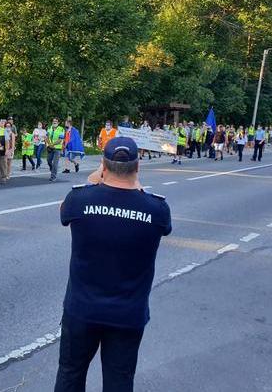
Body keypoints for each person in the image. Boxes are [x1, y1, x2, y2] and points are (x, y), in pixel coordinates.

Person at [54, 137, 171, 392]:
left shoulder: (79, 201)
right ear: (138, 167)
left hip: (81, 310)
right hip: (127, 315)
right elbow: (164, 227)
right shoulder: (157, 210)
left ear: (103, 166)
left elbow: (63, 212)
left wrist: (96, 177)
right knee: (119, 381)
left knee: (70, 374)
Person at [47, 117, 65, 182]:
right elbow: (46, 137)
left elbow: (60, 140)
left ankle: (53, 176)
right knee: (48, 161)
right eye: (53, 121)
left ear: (58, 122)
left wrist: (53, 144)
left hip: (57, 148)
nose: (54, 122)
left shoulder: (61, 129)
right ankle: (52, 170)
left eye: (56, 121)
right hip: (50, 147)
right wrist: (49, 144)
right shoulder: (49, 128)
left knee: (55, 163)